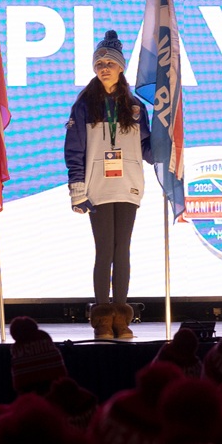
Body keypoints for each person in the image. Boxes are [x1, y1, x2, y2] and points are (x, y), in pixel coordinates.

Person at [65, 30, 153, 341]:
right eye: (100, 62)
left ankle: (121, 317)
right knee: (104, 250)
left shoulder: (134, 106)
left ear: (121, 67)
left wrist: (170, 147)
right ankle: (103, 317)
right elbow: (74, 148)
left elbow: (146, 148)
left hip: (128, 184)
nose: (104, 67)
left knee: (123, 250)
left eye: (110, 63)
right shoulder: (85, 104)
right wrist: (76, 186)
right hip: (98, 186)